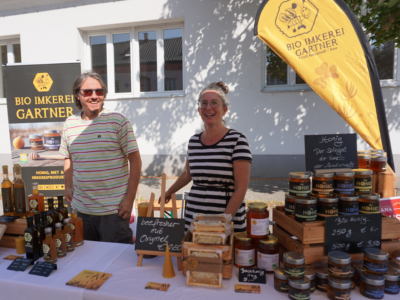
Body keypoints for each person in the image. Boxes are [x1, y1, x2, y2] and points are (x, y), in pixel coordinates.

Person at [59, 72, 141, 244]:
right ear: (77, 95)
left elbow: (135, 160)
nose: (94, 96)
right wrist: (68, 186)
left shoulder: (118, 121)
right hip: (81, 211)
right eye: (88, 92)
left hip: (114, 212)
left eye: (99, 91)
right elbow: (68, 158)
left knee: (117, 264)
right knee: (87, 263)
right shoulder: (69, 124)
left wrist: (130, 199)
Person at [163, 82, 252, 232]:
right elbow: (187, 174)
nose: (208, 107)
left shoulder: (237, 140)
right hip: (195, 216)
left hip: (226, 219)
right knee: (193, 255)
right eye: (203, 103)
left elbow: (240, 188)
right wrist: (169, 192)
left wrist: (223, 222)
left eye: (214, 103)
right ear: (199, 110)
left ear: (224, 110)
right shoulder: (194, 142)